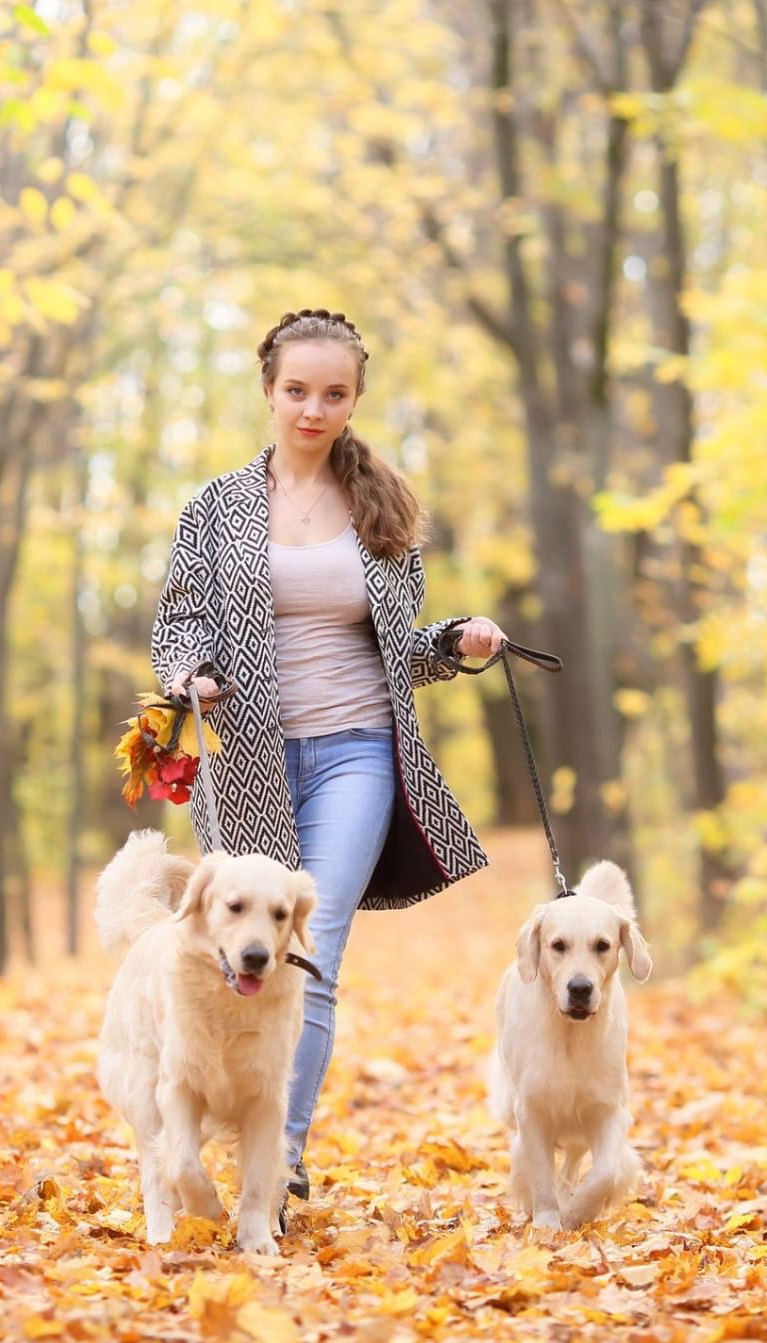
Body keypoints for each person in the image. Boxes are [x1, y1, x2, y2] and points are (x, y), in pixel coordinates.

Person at [152, 307, 505, 1213]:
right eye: (298, 390)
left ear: (354, 400)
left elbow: (401, 646)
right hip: (252, 759)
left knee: (315, 949)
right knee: (237, 955)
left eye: (334, 393)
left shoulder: (382, 507)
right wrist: (190, 673)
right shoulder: (217, 509)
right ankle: (198, 1125)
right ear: (269, 390)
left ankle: (282, 1161)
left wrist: (455, 642)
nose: (314, 409)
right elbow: (178, 622)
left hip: (358, 753)